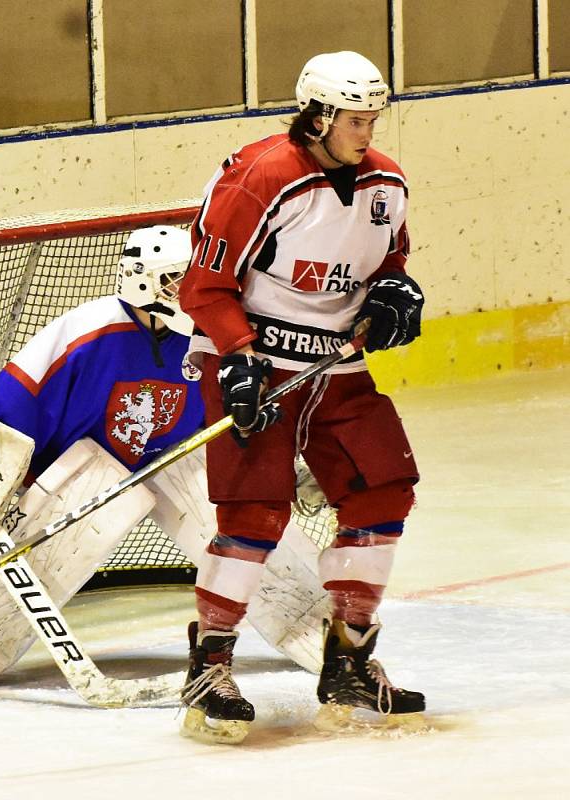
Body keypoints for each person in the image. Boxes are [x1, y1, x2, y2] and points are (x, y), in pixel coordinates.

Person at [0, 226, 330, 694]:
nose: (193, 291)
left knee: (241, 513)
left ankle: (327, 635)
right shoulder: (85, 331)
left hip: (174, 459)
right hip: (84, 473)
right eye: (178, 280)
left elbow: (239, 418)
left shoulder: (210, 335)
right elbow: (11, 408)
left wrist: (287, 471)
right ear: (142, 278)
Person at [178, 51, 426, 741]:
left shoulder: (385, 180)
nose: (366, 132)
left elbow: (391, 262)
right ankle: (209, 664)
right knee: (253, 512)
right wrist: (236, 358)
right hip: (252, 363)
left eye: (373, 118)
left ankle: (348, 659)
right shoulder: (260, 178)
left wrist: (393, 294)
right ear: (316, 115)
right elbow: (202, 285)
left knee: (383, 492)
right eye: (354, 119)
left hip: (336, 369)